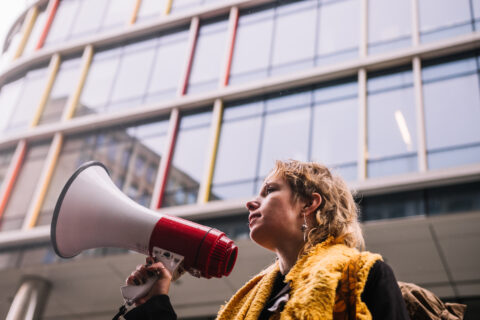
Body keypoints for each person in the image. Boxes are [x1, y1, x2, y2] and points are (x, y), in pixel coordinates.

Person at [122, 160, 410, 319]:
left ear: (308, 204)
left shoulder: (364, 275)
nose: (251, 202)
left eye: (269, 191)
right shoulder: (252, 300)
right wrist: (155, 302)